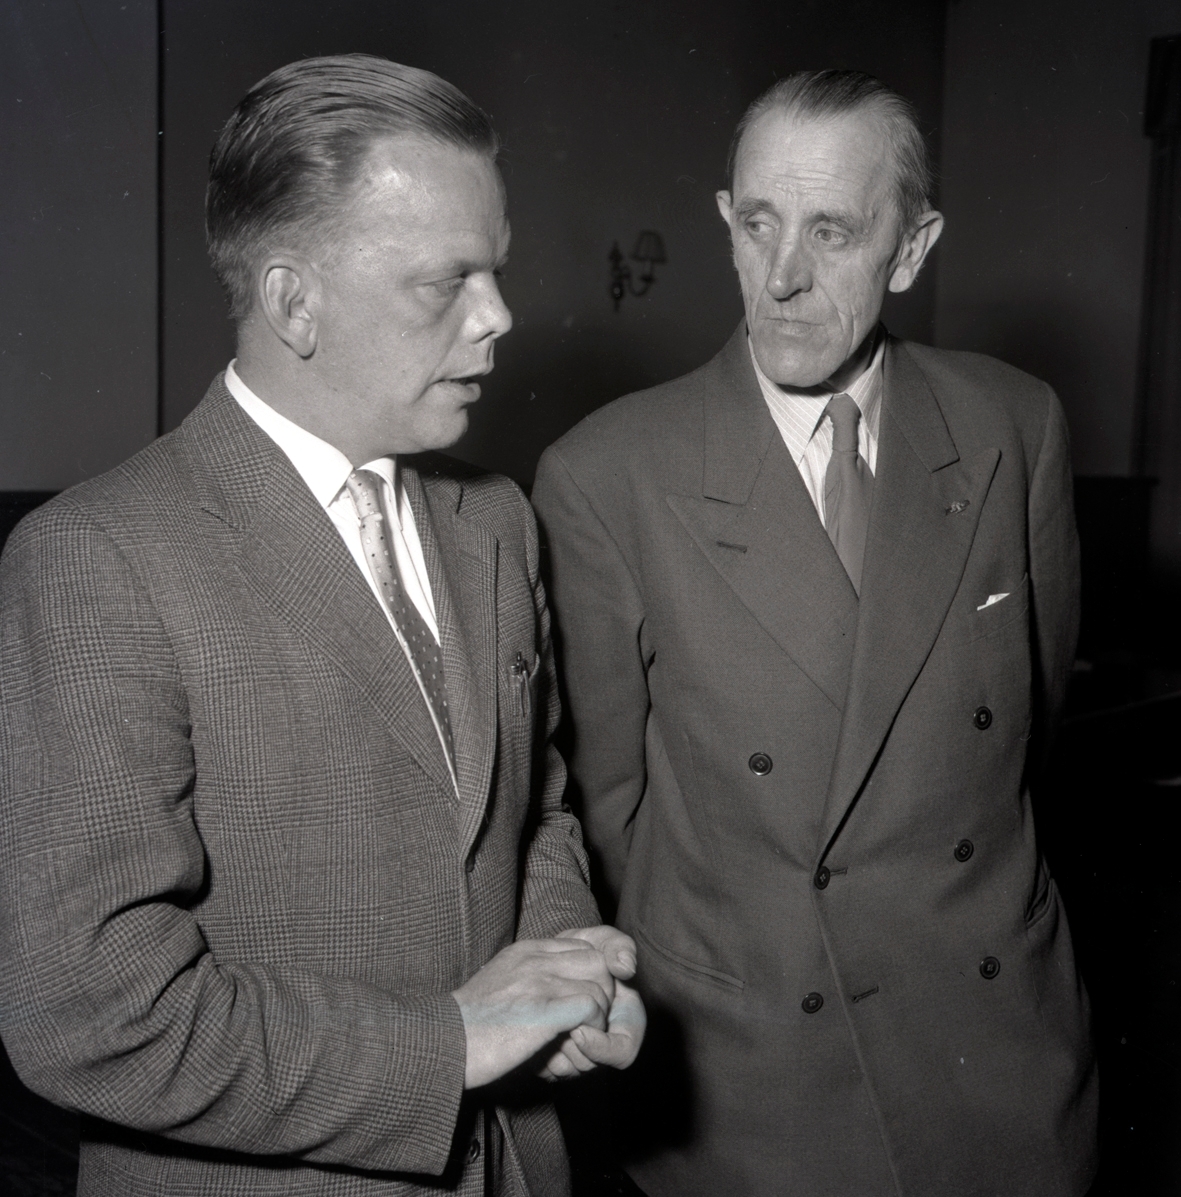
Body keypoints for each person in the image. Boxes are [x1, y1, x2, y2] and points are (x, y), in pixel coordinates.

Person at [0, 55, 643, 1197]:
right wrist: (449, 1045)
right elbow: (91, 1011)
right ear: (294, 303)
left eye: (495, 269)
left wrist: (563, 973)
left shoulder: (495, 521)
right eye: (446, 281)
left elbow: (535, 809)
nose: (498, 316)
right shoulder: (97, 558)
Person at [532, 70, 1095, 1196]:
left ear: (910, 249)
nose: (781, 277)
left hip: (994, 1048)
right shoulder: (606, 474)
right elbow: (608, 816)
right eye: (756, 225)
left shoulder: (1010, 425)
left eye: (830, 232)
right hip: (757, 1076)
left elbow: (1024, 733)